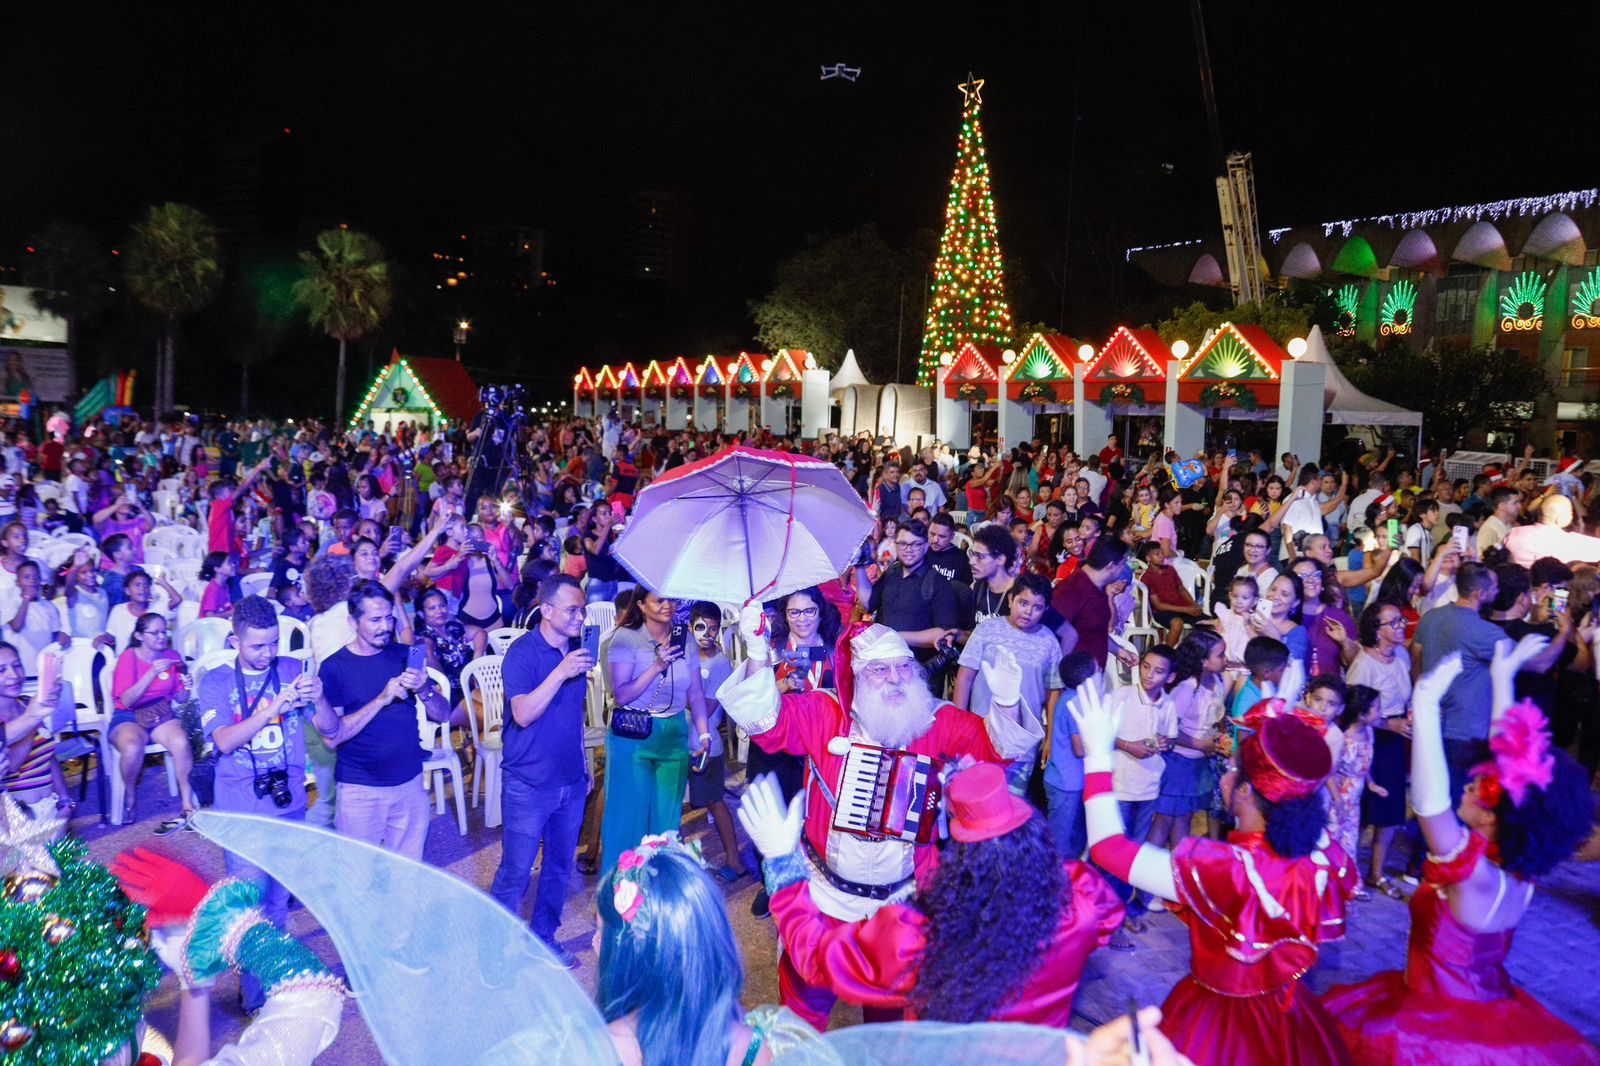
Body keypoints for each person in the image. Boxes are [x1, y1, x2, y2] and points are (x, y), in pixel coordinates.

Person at [716, 615, 1042, 1029]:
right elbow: (767, 725)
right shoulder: (825, 712)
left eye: (904, 667)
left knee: (891, 1020)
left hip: (902, 905)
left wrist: (1007, 700)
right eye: (880, 669)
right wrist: (759, 654)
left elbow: (996, 750)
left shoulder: (933, 719)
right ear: (857, 674)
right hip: (825, 898)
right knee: (801, 1011)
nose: (895, 679)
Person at [1322, 652, 1599, 1064]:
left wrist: (1428, 704)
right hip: (1489, 1006)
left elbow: (1430, 805)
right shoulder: (1519, 866)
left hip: (1437, 1027)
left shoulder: (1474, 876)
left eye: (1479, 788)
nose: (1468, 786)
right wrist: (1503, 677)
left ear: (1492, 815)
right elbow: (1509, 757)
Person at [1072, 681, 1357, 1066]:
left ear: (1244, 792)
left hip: (1216, 1021)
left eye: (1232, 770)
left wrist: (1098, 755)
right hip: (1289, 1019)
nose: (1225, 776)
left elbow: (1108, 849)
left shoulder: (1226, 868)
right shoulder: (1324, 855)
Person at [741, 763, 1124, 1026]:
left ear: (960, 859)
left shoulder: (921, 941)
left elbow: (817, 957)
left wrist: (782, 863)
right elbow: (1108, 913)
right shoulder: (1082, 901)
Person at [196, 595, 326, 1014]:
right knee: (249, 909)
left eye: (274, 644)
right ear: (235, 640)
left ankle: (272, 987)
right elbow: (224, 741)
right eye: (258, 646)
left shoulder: (290, 670)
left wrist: (318, 697)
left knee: (276, 904)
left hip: (289, 808)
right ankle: (254, 1000)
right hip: (241, 813)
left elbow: (331, 730)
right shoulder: (214, 681)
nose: (269, 654)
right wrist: (274, 709)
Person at [594, 833, 773, 1066]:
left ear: (637, 957)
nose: (596, 944)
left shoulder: (598, 1049)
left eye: (601, 933)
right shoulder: (756, 1048)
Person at [490, 574, 594, 967]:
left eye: (582, 609)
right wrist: (562, 671)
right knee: (515, 871)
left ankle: (544, 938)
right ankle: (496, 951)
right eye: (572, 609)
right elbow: (523, 713)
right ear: (546, 610)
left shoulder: (577, 652)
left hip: (569, 781)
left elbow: (574, 715)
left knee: (559, 868)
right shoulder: (524, 652)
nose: (580, 617)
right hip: (528, 784)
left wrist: (583, 765)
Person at [312, 580, 451, 860]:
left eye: (389, 617)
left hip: (410, 783)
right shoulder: (334, 668)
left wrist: (424, 688)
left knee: (409, 874)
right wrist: (381, 699)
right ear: (353, 622)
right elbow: (333, 737)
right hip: (361, 791)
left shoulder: (405, 655)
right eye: (375, 619)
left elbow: (443, 713)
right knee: (359, 879)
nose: (385, 626)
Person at [599, 591, 710, 873]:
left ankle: (658, 893)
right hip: (633, 735)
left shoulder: (683, 637)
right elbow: (621, 695)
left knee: (667, 819)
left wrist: (704, 733)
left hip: (673, 732)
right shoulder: (625, 637)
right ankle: (617, 895)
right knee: (627, 818)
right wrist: (657, 665)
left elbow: (695, 692)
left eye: (672, 600)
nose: (667, 605)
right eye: (657, 600)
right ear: (641, 605)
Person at [953, 572, 1061, 790]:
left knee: (1010, 808)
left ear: (1045, 609)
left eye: (1037, 607)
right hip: (980, 732)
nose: (1028, 612)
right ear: (1011, 599)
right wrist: (959, 723)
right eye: (1023, 602)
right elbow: (965, 677)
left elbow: (1053, 693)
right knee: (972, 800)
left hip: (1021, 741)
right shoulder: (988, 629)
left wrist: (1050, 738)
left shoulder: (1048, 641)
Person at [1412, 561, 1507, 801]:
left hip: (1433, 723)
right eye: (1494, 587)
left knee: (1433, 792)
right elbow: (1537, 662)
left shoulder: (1430, 617)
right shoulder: (1484, 632)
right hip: (1466, 732)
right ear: (1480, 594)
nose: (1498, 591)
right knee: (1460, 798)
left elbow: (1416, 660)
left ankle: (1427, 836)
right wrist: (1564, 634)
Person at [1104, 645, 1177, 940]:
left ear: (1170, 677)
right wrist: (1128, 746)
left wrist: (1165, 742)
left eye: (1159, 671)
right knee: (1110, 853)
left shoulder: (1168, 705)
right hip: (1119, 786)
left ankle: (1121, 911)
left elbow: (1170, 740)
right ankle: (1105, 911)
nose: (1149, 675)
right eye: (1146, 666)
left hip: (1148, 789)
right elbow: (1102, 735)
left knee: (1132, 853)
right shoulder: (1120, 697)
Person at [1347, 601, 1414, 899]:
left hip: (1396, 739)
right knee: (1360, 809)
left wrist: (1410, 714)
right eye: (1394, 622)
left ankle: (1376, 872)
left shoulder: (1400, 655)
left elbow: (1404, 692)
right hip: (1369, 740)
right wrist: (1391, 724)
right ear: (1377, 630)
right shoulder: (1364, 665)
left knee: (1390, 810)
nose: (1401, 626)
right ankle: (1345, 871)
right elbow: (1354, 712)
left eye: (1401, 621)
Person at [111, 612, 197, 832]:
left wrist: (186, 687)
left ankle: (187, 804)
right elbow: (126, 700)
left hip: (161, 713)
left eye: (164, 632)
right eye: (155, 632)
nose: (161, 636)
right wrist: (151, 673)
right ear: (139, 635)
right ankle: (130, 793)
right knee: (131, 747)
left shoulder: (173, 656)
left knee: (181, 742)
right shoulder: (129, 657)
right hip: (129, 714)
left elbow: (180, 698)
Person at [685, 601, 747, 883]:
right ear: (690, 627)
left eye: (713, 628)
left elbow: (706, 709)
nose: (707, 634)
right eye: (701, 627)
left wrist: (674, 694)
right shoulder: (685, 657)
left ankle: (735, 859)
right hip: (679, 741)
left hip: (706, 745)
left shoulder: (720, 663)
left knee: (714, 801)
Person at [1151, 630, 1229, 856]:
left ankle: (1178, 874)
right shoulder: (1187, 689)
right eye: (1220, 655)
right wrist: (1201, 745)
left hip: (1196, 764)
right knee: (1164, 820)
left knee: (1184, 818)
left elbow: (1214, 716)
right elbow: (1168, 732)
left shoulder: (1217, 680)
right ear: (1204, 661)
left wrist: (1217, 737)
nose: (1225, 658)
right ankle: (1144, 880)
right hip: (1178, 762)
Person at [853, 518, 963, 667]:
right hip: (883, 659)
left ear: (925, 547)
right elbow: (869, 602)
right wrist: (859, 565)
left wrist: (896, 637)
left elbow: (944, 633)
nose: (908, 549)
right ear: (896, 545)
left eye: (915, 544)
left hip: (916, 667)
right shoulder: (892, 571)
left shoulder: (938, 584)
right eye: (903, 543)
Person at [0, 643, 69, 819]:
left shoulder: (25, 703)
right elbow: (13, 765)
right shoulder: (30, 711)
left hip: (52, 808)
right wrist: (33, 717)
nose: (13, 675)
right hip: (20, 817)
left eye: (17, 665)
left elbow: (49, 756)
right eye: (1, 670)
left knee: (69, 848)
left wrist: (65, 799)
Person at [1327, 684, 1383, 899]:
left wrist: (1371, 783)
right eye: (1376, 708)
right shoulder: (1342, 738)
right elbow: (1329, 772)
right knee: (1333, 837)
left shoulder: (1368, 733)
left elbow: (1364, 765)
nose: (1380, 712)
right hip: (1338, 796)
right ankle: (1328, 883)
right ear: (1361, 714)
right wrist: (1337, 799)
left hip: (1355, 798)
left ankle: (1349, 883)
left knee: (1350, 839)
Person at [1051, 537, 1135, 669]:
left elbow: (1094, 630)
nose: (1123, 569)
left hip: (1092, 675)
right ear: (1111, 566)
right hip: (1073, 680)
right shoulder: (1071, 591)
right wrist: (1057, 681)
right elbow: (1051, 638)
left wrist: (1118, 650)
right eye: (1122, 564)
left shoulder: (1100, 587)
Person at [1502, 493, 1600, 567]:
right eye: (1570, 513)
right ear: (1560, 518)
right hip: (1549, 591)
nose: (1571, 516)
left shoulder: (1514, 533)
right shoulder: (1569, 542)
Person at [199, 551, 237, 619]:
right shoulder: (213, 590)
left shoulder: (224, 584)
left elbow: (226, 605)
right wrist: (231, 613)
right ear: (217, 569)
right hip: (210, 626)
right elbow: (209, 616)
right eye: (229, 563)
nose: (233, 565)